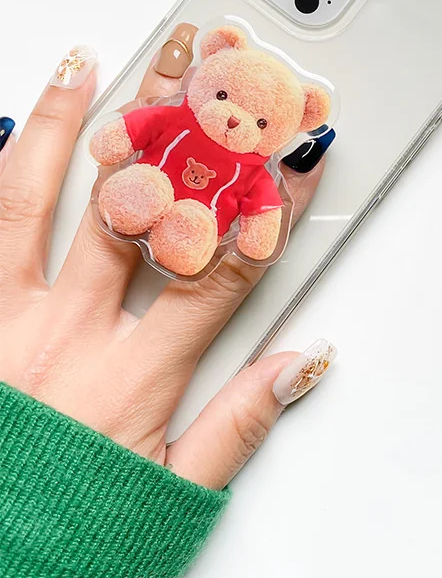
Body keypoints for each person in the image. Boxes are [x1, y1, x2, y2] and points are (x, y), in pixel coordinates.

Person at [0, 41, 336, 578]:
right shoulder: (176, 119)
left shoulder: (254, 171)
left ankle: (185, 227)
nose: (233, 119)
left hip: (198, 219)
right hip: (150, 182)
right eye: (222, 96)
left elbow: (262, 212)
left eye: (259, 120)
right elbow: (135, 130)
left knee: (192, 225)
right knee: (143, 189)